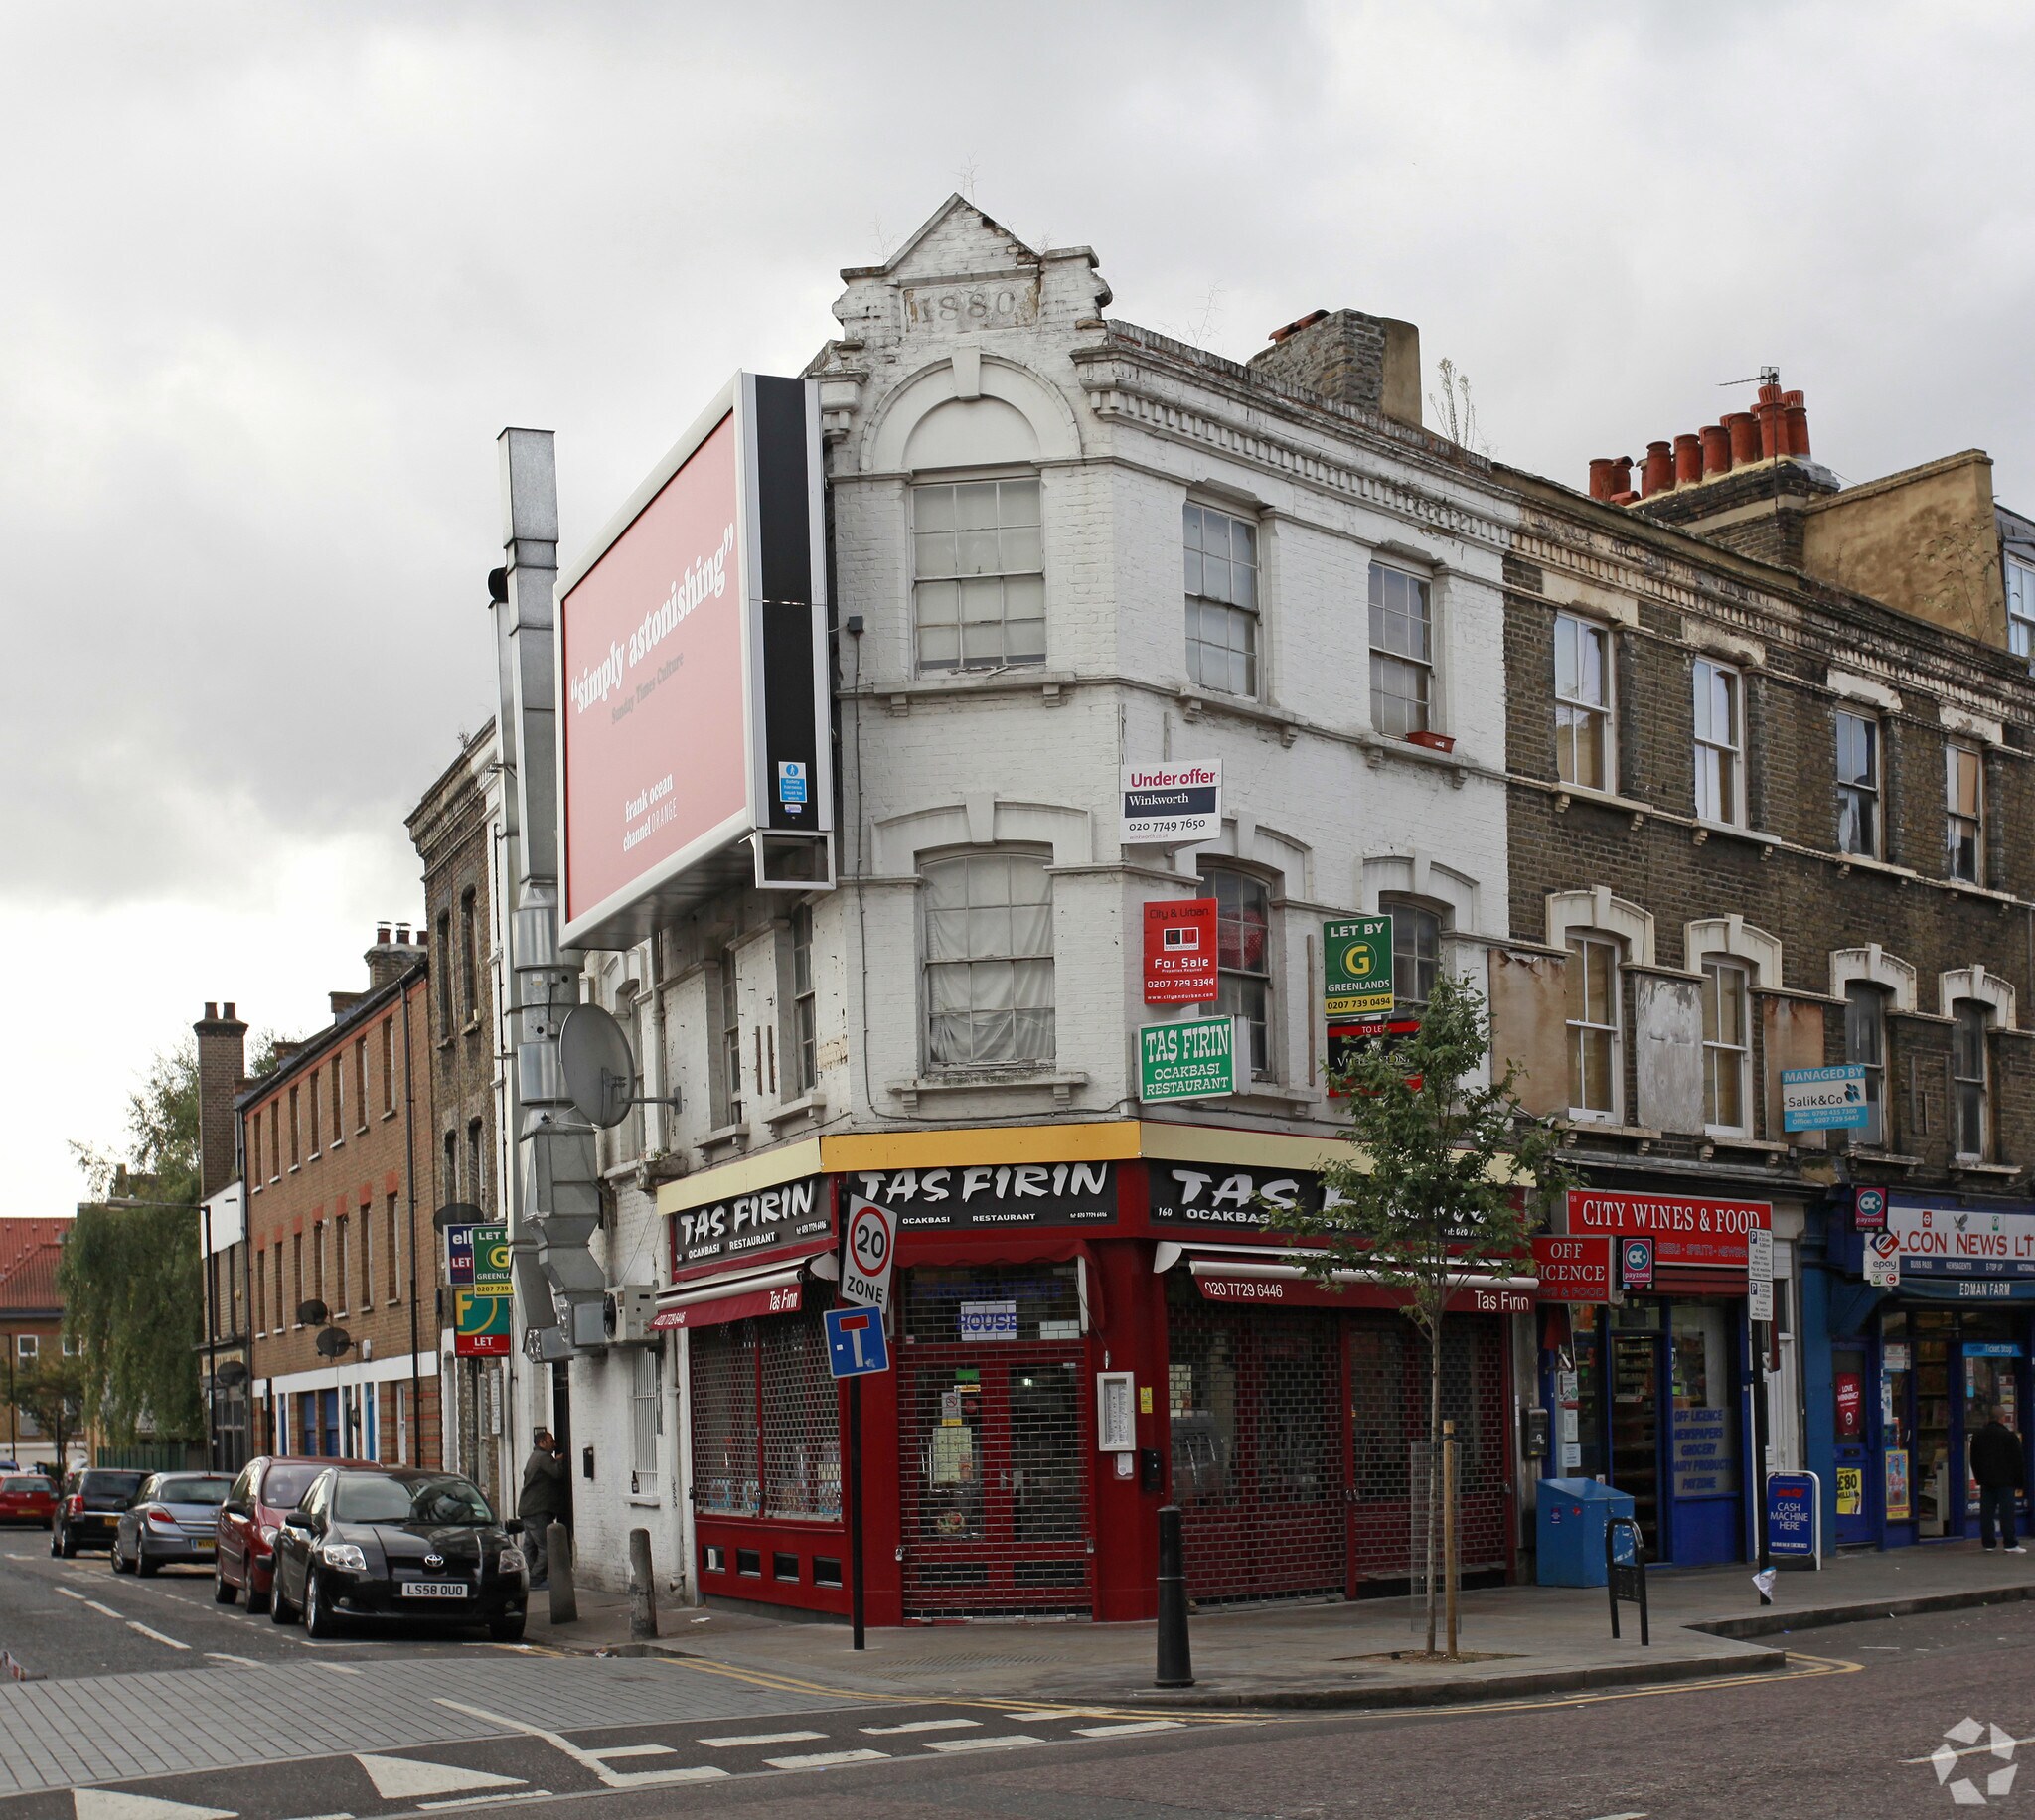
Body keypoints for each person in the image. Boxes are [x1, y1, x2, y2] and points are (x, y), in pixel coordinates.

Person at [1969, 1404, 2027, 1554]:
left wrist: (1979, 1478)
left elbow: (1974, 1459)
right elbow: (2018, 1461)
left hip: (1987, 1481)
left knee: (1986, 1513)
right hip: (2006, 1481)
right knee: (2007, 1513)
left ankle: (1988, 1542)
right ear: (2003, 1418)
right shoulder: (2008, 1436)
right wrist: (2020, 1482)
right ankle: (2010, 1543)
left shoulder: (1978, 1435)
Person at [518, 1428, 569, 1587]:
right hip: (538, 1509)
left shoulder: (534, 1456)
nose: (554, 1444)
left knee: (529, 1546)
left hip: (527, 1508)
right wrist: (560, 1461)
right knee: (546, 1547)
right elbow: (557, 1474)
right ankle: (536, 1579)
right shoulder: (543, 1458)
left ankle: (526, 1577)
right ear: (541, 1442)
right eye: (550, 1441)